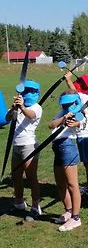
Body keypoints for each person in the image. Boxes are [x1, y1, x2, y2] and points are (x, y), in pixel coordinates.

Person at [49, 90, 85, 231]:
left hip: (68, 148)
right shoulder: (62, 113)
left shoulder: (79, 113)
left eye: (69, 103)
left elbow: (82, 123)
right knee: (60, 184)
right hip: (57, 148)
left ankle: (76, 218)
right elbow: (51, 125)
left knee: (72, 184)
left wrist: (75, 123)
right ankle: (69, 211)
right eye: (65, 104)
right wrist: (64, 118)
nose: (67, 106)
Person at [7, 80, 42, 220]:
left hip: (29, 146)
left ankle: (35, 207)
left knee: (31, 177)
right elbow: (7, 118)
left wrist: (21, 107)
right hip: (16, 145)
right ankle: (19, 203)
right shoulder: (19, 105)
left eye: (31, 91)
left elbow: (31, 115)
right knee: (16, 176)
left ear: (36, 93)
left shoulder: (36, 107)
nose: (27, 93)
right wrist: (13, 108)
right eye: (26, 90)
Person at [64, 73, 88, 200]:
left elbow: (73, 90)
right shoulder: (84, 95)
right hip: (84, 131)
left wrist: (68, 79)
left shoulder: (82, 96)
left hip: (85, 132)